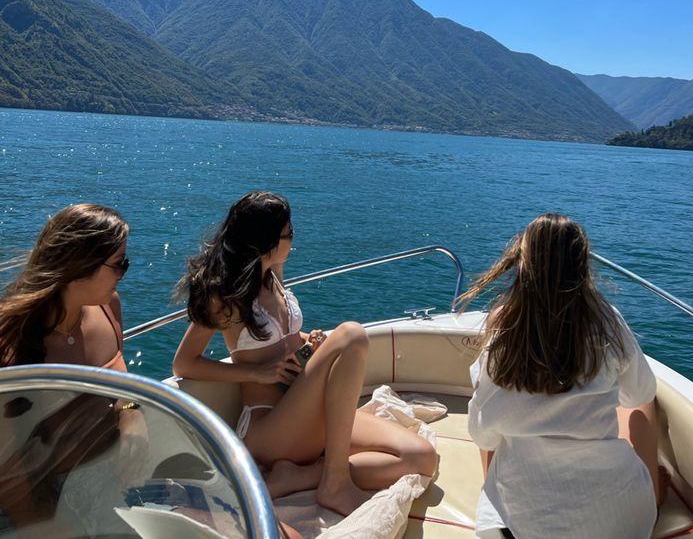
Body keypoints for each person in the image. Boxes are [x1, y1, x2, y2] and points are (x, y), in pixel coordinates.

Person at [173, 190, 437, 517]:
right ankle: (335, 483)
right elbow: (185, 363)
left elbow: (280, 337)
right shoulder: (224, 294)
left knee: (421, 457)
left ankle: (301, 476)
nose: (293, 239)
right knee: (352, 334)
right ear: (265, 240)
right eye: (289, 233)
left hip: (305, 414)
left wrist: (304, 341)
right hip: (270, 428)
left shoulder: (273, 274)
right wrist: (254, 373)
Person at [459, 213, 659, 539]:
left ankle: (497, 495)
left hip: (525, 528)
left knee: (494, 431)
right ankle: (653, 490)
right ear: (582, 266)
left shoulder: (505, 334)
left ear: (523, 266)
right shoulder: (608, 323)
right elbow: (640, 393)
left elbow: (483, 436)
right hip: (624, 522)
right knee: (643, 404)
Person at [0, 202, 147, 532]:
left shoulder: (108, 306)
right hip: (42, 502)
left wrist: (132, 415)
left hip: (105, 477)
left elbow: (119, 376)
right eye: (119, 263)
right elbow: (9, 475)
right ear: (81, 267)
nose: (124, 271)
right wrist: (52, 528)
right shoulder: (10, 342)